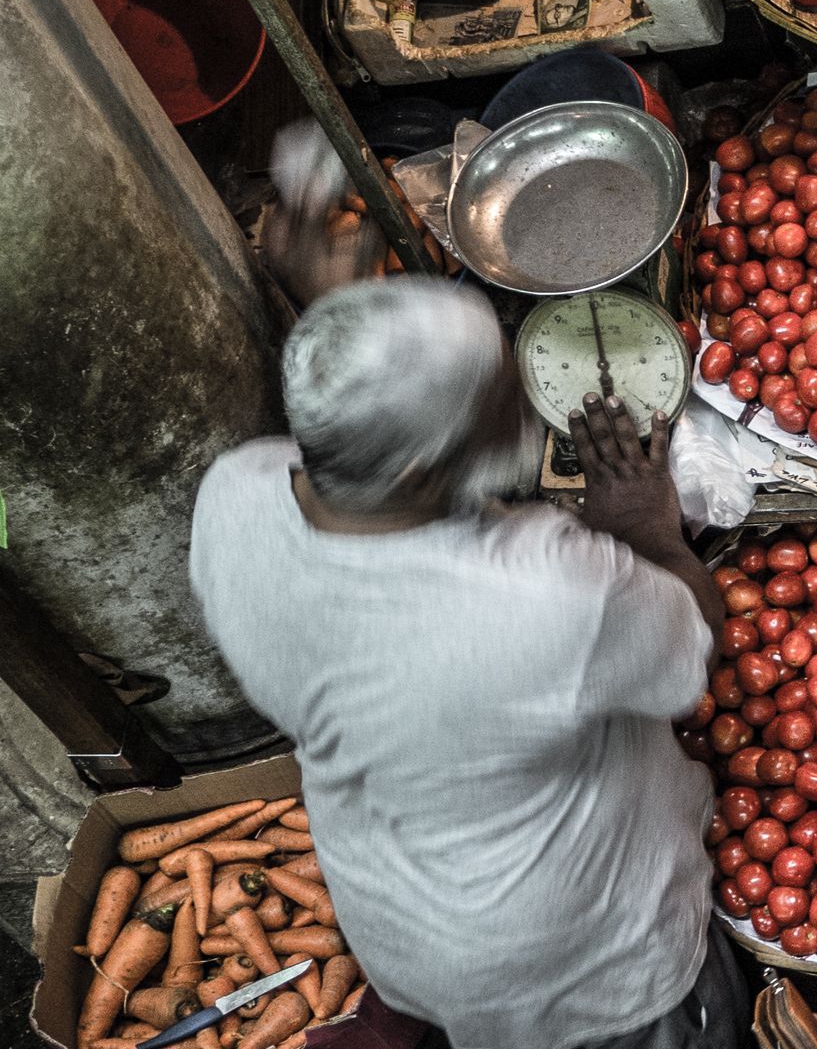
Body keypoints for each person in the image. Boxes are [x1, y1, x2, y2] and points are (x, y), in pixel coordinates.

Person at [187, 277, 743, 1049]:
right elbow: (695, 643)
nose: (529, 403)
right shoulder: (545, 594)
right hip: (586, 959)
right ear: (418, 471)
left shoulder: (234, 499)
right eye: (503, 398)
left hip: (403, 931)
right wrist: (643, 527)